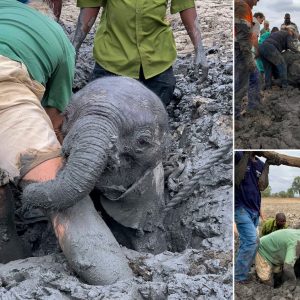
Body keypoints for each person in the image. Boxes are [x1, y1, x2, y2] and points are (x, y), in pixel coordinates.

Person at [0, 0, 75, 261]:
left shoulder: (6, 11)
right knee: (67, 206)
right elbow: (55, 118)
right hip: (5, 83)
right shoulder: (57, 38)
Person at [71, 0, 208, 106]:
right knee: (102, 121)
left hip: (157, 64)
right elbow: (90, 6)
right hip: (112, 62)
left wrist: (199, 50)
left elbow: (186, 6)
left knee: (150, 128)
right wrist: (74, 48)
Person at [235, 151, 270, 283]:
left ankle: (241, 270)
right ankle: (239, 277)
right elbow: (237, 178)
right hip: (240, 208)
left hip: (254, 210)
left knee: (247, 243)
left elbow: (262, 187)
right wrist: (246, 154)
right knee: (251, 241)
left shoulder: (261, 164)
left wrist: (268, 165)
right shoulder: (238, 156)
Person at [234, 0, 258, 119]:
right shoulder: (242, 6)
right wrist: (249, 60)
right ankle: (236, 116)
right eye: (257, 0)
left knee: (253, 78)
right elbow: (243, 37)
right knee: (241, 84)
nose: (256, 3)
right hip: (240, 50)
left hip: (241, 49)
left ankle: (253, 108)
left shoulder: (242, 6)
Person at [247, 12, 265, 112]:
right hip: (247, 52)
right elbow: (254, 38)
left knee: (249, 78)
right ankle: (253, 106)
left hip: (242, 51)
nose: (261, 23)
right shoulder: (255, 22)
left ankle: (253, 104)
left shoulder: (248, 20)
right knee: (255, 78)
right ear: (258, 17)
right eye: (261, 20)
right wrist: (257, 51)